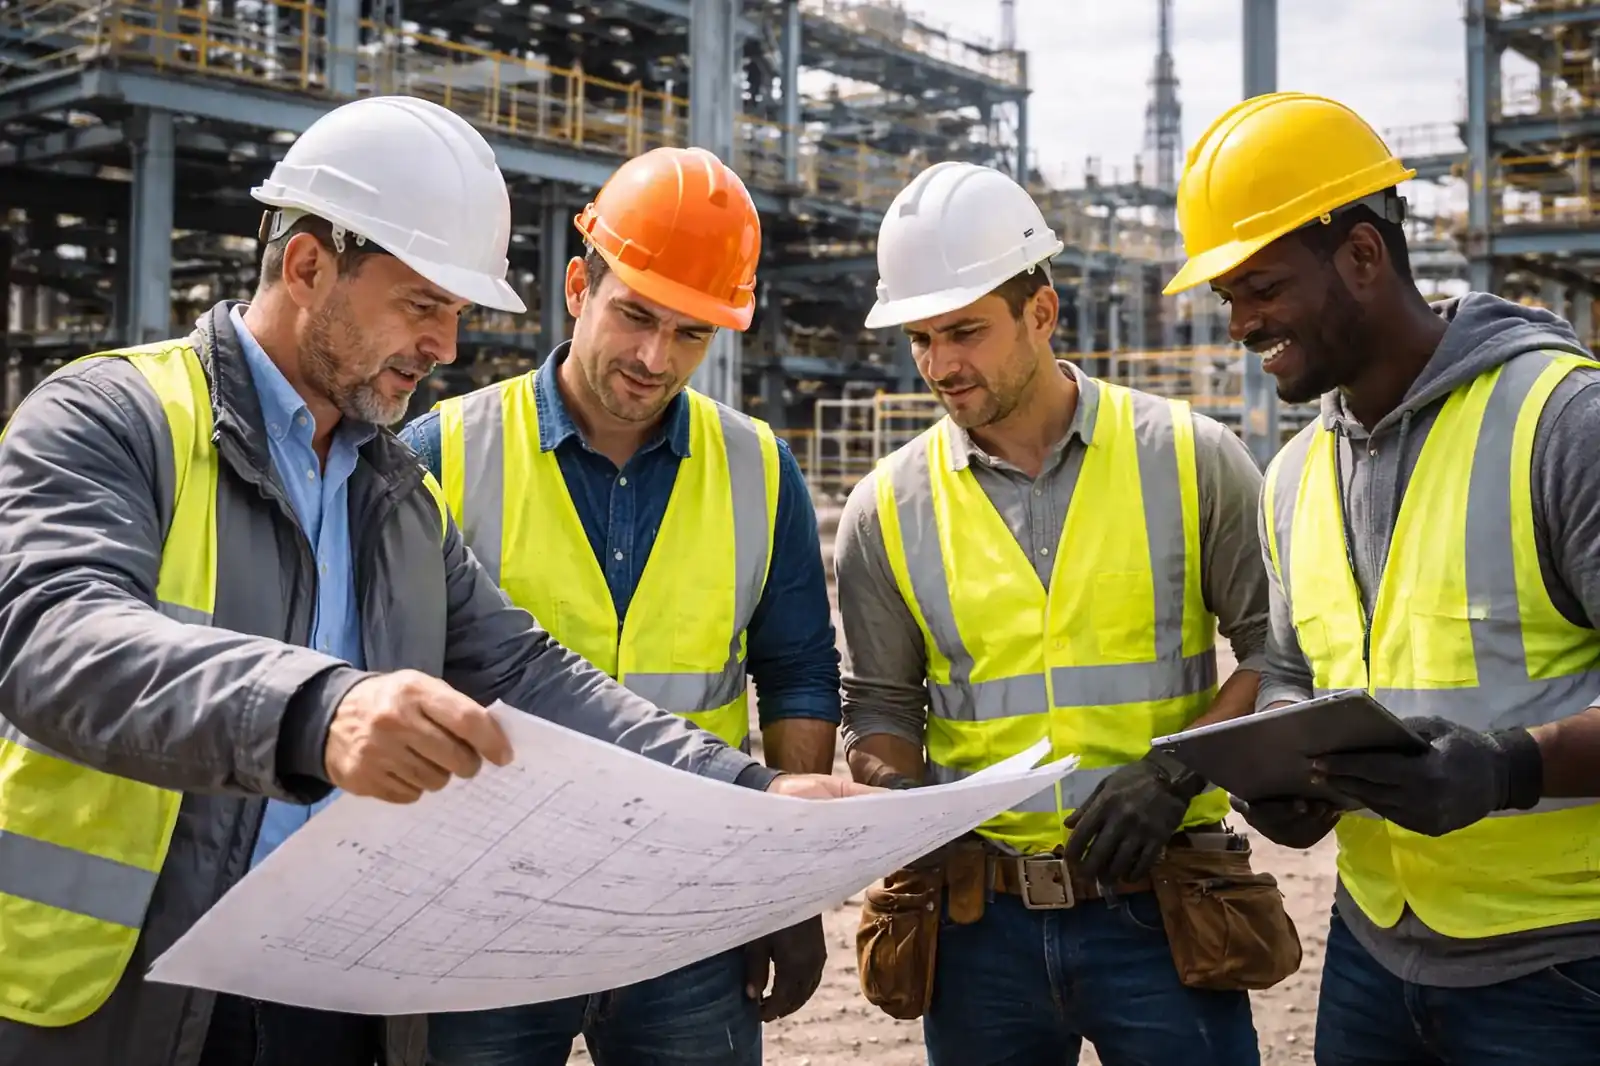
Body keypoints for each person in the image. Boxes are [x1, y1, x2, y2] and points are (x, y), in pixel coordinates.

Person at [0, 95, 872, 1066]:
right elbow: (51, 638)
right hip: (127, 997)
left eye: (456, 313)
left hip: (334, 995)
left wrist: (751, 791)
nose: (447, 346)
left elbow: (531, 676)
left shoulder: (389, 489)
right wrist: (316, 711)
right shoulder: (114, 419)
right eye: (423, 305)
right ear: (307, 266)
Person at [1161, 89, 1600, 1065]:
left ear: (1361, 255)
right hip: (1371, 957)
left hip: (1562, 967)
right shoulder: (1291, 476)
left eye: (1259, 287)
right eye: (1226, 296)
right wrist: (1283, 771)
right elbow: (1289, 666)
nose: (1239, 322)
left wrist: (1508, 769)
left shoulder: (1561, 424)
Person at [395, 144, 841, 1066]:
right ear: (575, 285)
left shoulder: (760, 470)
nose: (653, 358)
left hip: (687, 904)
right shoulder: (442, 452)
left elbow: (796, 672)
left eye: (690, 334)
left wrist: (785, 889)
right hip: (489, 905)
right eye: (635, 315)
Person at [835, 160, 1282, 1065]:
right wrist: (899, 798)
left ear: (1042, 312)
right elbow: (880, 710)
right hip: (977, 930)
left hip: (1161, 911)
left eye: (964, 331)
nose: (940, 365)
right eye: (919, 339)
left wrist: (1173, 776)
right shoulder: (884, 509)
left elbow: (1280, 653)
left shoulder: (1194, 460)